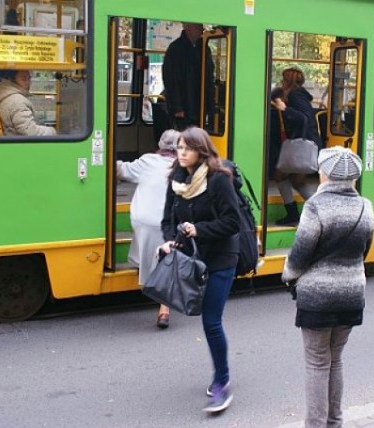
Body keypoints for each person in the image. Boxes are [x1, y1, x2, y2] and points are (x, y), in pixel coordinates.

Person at [282, 146, 374, 428]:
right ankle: (335, 422)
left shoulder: (315, 206)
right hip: (351, 294)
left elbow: (299, 255)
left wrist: (288, 275)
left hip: (318, 299)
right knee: (336, 360)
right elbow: (364, 250)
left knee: (317, 362)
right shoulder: (365, 206)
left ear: (325, 174)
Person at [159, 127, 240, 413]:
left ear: (201, 151)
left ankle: (222, 382)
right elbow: (168, 217)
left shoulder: (219, 180)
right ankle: (222, 376)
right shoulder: (176, 178)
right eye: (179, 147)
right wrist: (169, 240)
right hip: (191, 257)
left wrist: (199, 230)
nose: (181, 153)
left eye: (187, 148)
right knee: (203, 316)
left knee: (211, 321)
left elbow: (233, 222)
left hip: (220, 257)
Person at [116, 129, 180, 329]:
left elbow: (121, 170)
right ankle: (164, 310)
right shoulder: (183, 167)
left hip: (141, 219)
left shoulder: (146, 161)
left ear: (160, 145)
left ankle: (143, 270)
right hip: (165, 224)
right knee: (168, 261)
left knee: (145, 242)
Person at [271, 68, 320, 226]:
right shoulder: (298, 93)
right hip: (309, 143)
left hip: (301, 145)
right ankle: (321, 212)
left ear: (288, 81)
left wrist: (285, 109)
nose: (281, 82)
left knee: (279, 176)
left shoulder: (295, 95)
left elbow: (303, 118)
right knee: (297, 182)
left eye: (283, 79)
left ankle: (293, 214)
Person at [162, 23, 214, 130]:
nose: (201, 29)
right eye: (197, 26)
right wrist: (177, 107)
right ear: (186, 27)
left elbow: (209, 75)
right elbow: (171, 80)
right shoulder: (175, 49)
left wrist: (210, 103)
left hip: (200, 104)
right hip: (183, 106)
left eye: (201, 26)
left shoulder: (204, 48)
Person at [0, 70, 56, 136]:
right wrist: (52, 131)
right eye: (23, 79)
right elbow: (30, 132)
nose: (28, 82)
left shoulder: (1, 94)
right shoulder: (17, 102)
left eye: (29, 78)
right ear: (11, 80)